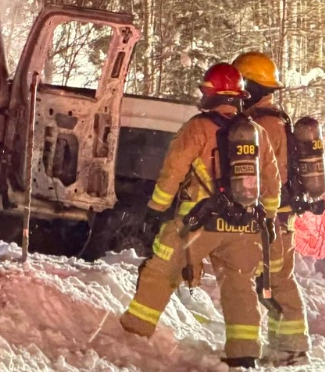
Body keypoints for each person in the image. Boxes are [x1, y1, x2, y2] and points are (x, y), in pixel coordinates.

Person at [120, 62, 281, 369]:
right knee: (239, 286)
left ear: (211, 93)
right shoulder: (257, 133)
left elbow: (173, 171)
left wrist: (155, 210)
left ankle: (134, 333)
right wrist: (269, 218)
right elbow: (272, 183)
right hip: (246, 226)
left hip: (198, 224)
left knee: (160, 271)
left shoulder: (199, 127)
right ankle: (244, 353)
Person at [232, 52, 310, 366]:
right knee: (269, 280)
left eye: (240, 83)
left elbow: (268, 174)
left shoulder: (263, 125)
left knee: (277, 279)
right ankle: (283, 346)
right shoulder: (272, 120)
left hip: (274, 216)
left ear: (250, 86)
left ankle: (292, 348)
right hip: (276, 214)